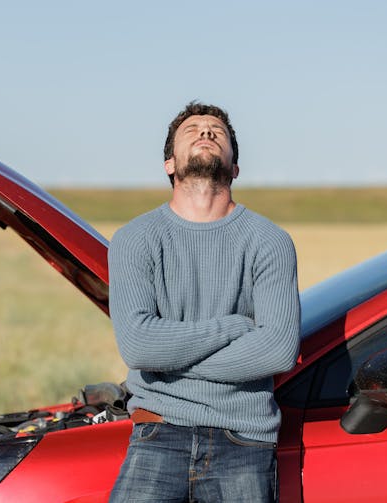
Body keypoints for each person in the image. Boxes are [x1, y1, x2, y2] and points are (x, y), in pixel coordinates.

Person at [108, 101, 301, 502]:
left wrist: (169, 363)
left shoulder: (270, 241)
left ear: (235, 169)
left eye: (217, 130)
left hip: (245, 441)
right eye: (192, 129)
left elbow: (278, 351)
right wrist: (233, 327)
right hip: (158, 433)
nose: (206, 132)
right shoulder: (135, 238)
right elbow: (139, 345)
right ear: (169, 164)